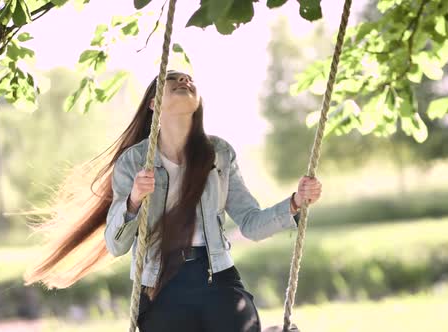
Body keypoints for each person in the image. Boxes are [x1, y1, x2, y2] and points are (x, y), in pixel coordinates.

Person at [23, 70, 322, 332]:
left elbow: (251, 224)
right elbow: (117, 245)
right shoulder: (134, 162)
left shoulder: (219, 153)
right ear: (154, 104)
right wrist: (133, 200)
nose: (184, 80)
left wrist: (294, 202)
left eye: (188, 79)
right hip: (160, 285)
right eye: (172, 78)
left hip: (215, 275)